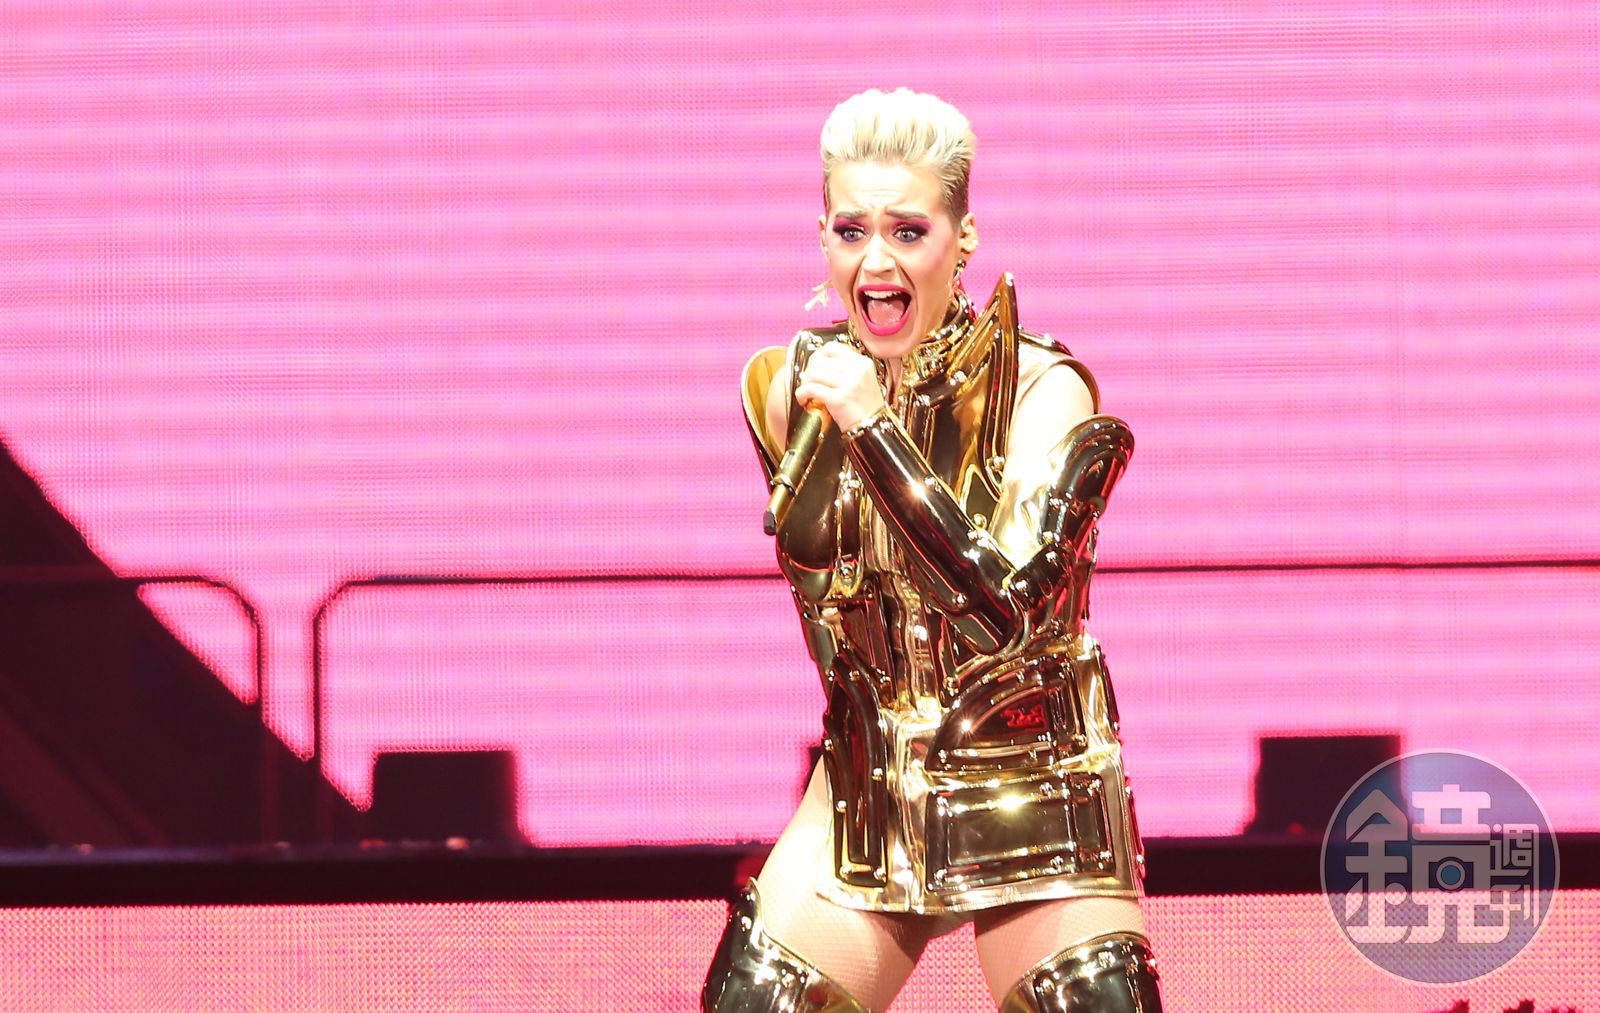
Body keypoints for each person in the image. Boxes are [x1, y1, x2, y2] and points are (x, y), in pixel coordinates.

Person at [704, 88, 1164, 1012]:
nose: (876, 261)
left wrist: (873, 427)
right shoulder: (788, 391)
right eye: (851, 231)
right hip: (870, 791)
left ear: (963, 239)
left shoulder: (1044, 391)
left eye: (908, 231)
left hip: (1032, 784)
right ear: (823, 239)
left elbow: (1006, 618)